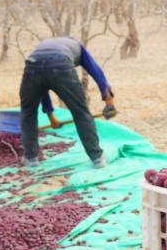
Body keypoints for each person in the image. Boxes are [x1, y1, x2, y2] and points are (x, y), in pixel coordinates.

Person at [19, 36, 118, 168]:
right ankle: (98, 158)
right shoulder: (79, 47)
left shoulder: (44, 45)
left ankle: (31, 158)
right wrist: (109, 101)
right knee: (81, 112)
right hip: (61, 63)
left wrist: (51, 116)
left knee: (28, 113)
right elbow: (96, 71)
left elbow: (41, 87)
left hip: (32, 64)